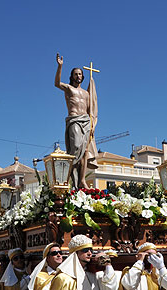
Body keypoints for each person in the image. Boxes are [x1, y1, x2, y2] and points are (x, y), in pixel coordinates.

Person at [55, 53, 99, 189]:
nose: (78, 76)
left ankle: (81, 180)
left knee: (85, 151)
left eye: (80, 74)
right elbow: (56, 83)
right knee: (75, 148)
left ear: (83, 76)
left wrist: (92, 125)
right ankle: (70, 177)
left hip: (85, 121)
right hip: (74, 120)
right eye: (75, 74)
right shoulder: (69, 89)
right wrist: (60, 66)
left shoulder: (87, 94)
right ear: (72, 76)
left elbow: (91, 109)